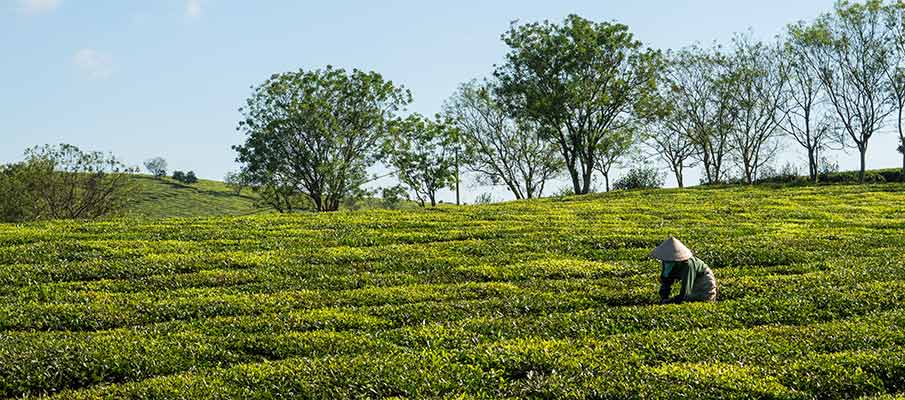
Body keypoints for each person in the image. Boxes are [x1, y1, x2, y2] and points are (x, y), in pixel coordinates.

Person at [650, 236, 717, 304]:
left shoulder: (688, 265)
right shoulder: (667, 263)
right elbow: (666, 280)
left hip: (704, 280)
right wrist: (664, 298)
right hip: (693, 279)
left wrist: (672, 301)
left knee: (700, 300)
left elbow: (685, 292)